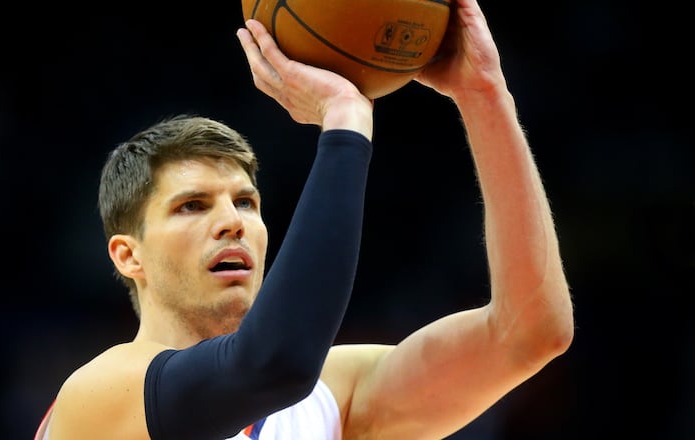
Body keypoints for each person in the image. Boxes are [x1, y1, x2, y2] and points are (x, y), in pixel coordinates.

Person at [35, 0, 574, 438]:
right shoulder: (99, 395)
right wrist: (343, 122)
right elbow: (272, 365)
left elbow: (529, 333)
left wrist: (483, 95)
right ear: (129, 255)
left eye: (246, 202)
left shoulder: (332, 397)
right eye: (192, 206)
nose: (232, 222)